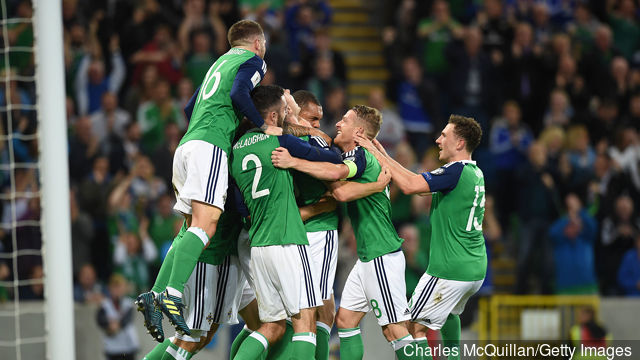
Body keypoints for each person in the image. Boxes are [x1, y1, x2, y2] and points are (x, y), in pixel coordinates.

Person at [136, 19, 282, 338]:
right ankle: (172, 294)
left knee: (190, 227)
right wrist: (261, 125)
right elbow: (240, 92)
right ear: (257, 43)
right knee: (207, 225)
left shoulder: (218, 62)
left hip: (187, 144)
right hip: (209, 146)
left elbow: (190, 106)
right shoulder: (254, 60)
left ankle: (156, 293)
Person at [270, 105, 421, 360]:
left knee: (394, 331)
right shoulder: (359, 156)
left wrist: (294, 161)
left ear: (358, 131)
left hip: (381, 255)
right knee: (346, 319)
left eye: (345, 120)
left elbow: (340, 190)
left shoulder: (359, 155)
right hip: (367, 257)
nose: (338, 124)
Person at [230, 85, 351, 360]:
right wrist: (307, 139)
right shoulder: (280, 141)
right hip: (287, 240)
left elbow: (240, 207)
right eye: (285, 111)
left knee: (271, 326)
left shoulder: (236, 149)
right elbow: (332, 158)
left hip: (258, 244)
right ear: (272, 116)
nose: (289, 115)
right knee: (306, 320)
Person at [355, 114, 486, 359]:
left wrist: (373, 151)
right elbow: (417, 184)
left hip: (449, 270)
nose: (438, 140)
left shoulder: (454, 170)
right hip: (474, 268)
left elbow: (410, 186)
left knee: (410, 327)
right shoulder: (473, 172)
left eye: (444, 135)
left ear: (459, 144)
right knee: (448, 314)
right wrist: (385, 157)